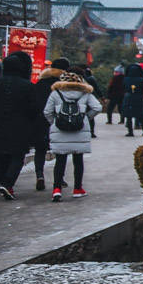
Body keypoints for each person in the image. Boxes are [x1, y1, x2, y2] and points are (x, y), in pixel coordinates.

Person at [0, 51, 45, 199]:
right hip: (21, 127)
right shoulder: (27, 86)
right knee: (17, 156)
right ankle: (8, 184)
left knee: (0, 154)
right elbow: (35, 109)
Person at [42, 71, 101, 200]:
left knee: (60, 160)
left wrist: (55, 122)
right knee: (78, 160)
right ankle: (77, 188)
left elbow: (47, 111)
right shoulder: (85, 93)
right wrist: (85, 118)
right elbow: (97, 107)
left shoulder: (56, 93)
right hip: (79, 130)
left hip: (60, 130)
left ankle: (57, 189)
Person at [31, 58, 68, 192]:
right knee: (60, 151)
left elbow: (33, 102)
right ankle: (60, 178)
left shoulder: (40, 83)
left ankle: (39, 175)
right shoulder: (63, 84)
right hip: (59, 121)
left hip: (40, 120)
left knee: (40, 150)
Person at [121, 61, 143, 136]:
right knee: (141, 115)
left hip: (128, 98)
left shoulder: (126, 79)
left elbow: (123, 88)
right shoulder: (141, 80)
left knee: (129, 116)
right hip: (139, 98)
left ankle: (130, 132)